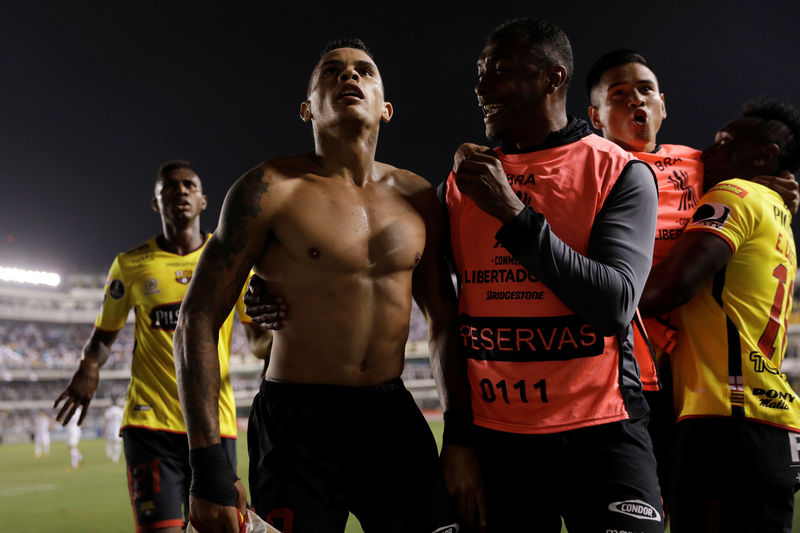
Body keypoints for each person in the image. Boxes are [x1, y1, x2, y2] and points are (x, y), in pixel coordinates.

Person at [173, 39, 459, 533]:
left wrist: (459, 437)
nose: (350, 76)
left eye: (365, 71)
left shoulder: (420, 197)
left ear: (386, 108)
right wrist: (208, 469)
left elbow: (445, 324)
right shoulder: (266, 189)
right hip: (295, 424)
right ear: (307, 107)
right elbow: (197, 318)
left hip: (391, 417)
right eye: (332, 71)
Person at [434, 19, 664, 532]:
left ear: (553, 78)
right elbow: (432, 304)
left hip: (604, 432)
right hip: (496, 440)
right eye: (479, 73)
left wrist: (513, 214)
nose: (481, 87)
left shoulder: (620, 171)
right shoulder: (459, 182)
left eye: (500, 72)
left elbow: (614, 305)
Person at [585, 48, 800, 513]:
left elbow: (748, 172)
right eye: (617, 95)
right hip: (604, 359)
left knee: (673, 500)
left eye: (644, 90)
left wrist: (776, 183)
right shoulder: (583, 165)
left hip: (673, 368)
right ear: (595, 116)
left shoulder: (700, 165)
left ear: (663, 104)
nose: (634, 101)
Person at [53, 160, 266, 533]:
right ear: (156, 202)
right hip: (150, 424)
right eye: (170, 186)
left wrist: (282, 329)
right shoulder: (131, 264)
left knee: (221, 526)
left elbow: (260, 342)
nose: (181, 191)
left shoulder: (232, 264)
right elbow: (104, 337)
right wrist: (89, 363)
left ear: (203, 201)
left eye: (189, 186)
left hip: (215, 425)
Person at [638, 97, 800, 532]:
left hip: (725, 422)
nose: (709, 153)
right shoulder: (779, 212)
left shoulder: (734, 194)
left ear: (764, 154)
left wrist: (578, 279)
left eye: (725, 143)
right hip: (764, 421)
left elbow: (665, 290)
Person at [104, 398, 124, 463]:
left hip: (110, 426)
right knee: (117, 442)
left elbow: (107, 420)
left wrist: (105, 428)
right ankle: (116, 456)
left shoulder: (109, 410)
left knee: (109, 440)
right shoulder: (120, 410)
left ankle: (109, 452)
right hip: (118, 426)